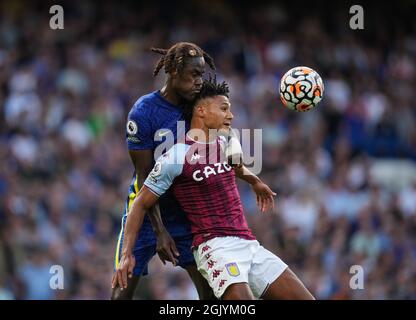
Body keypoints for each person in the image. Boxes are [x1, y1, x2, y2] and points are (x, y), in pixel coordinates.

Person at [114, 77, 315, 300]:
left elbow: (235, 167)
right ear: (201, 110)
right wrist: (126, 254)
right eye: (224, 108)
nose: (230, 115)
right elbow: (139, 204)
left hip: (248, 244)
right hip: (215, 248)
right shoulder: (176, 155)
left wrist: (255, 181)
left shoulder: (223, 143)